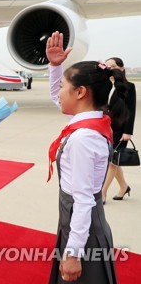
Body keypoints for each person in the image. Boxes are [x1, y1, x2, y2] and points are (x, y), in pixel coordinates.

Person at [46, 31, 127, 283]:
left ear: (80, 93)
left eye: (63, 88)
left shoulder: (83, 138)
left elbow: (82, 200)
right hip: (78, 226)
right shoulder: (92, 122)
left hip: (81, 230)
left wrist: (72, 254)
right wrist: (55, 68)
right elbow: (56, 99)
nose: (58, 93)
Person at [102, 57, 136, 203]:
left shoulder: (129, 87)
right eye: (107, 66)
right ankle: (124, 186)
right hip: (105, 130)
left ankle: (102, 193)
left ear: (122, 68)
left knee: (112, 163)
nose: (111, 68)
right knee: (113, 161)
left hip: (120, 131)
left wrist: (128, 132)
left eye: (114, 66)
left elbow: (131, 110)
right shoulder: (106, 86)